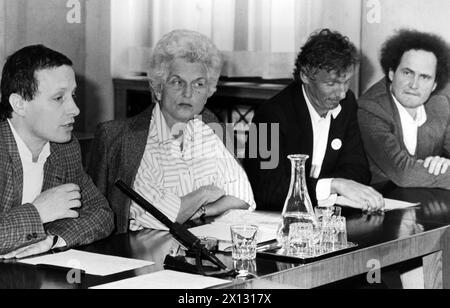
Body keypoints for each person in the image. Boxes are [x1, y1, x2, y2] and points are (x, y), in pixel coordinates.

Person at [88, 29, 255, 233]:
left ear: (208, 92)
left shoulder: (208, 126)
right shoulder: (130, 140)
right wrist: (205, 193)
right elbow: (164, 216)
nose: (188, 93)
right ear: (158, 87)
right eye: (177, 82)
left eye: (199, 84)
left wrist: (201, 210)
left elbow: (243, 197)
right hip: (142, 253)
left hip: (197, 245)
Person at [244, 28, 384, 212]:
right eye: (331, 84)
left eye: (346, 82)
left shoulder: (347, 103)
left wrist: (331, 187)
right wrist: (332, 185)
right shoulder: (268, 116)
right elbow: (265, 190)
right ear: (305, 75)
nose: (341, 93)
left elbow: (358, 170)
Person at [0, 45, 114, 258]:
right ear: (19, 104)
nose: (75, 109)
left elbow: (102, 213)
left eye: (73, 95)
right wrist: (38, 212)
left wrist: (53, 240)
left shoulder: (65, 148)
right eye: (58, 98)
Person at [358, 29, 450, 189]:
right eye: (407, 73)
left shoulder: (439, 105)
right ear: (392, 73)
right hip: (380, 203)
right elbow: (404, 174)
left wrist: (442, 163)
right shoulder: (371, 108)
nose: (414, 85)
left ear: (434, 85)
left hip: (428, 202)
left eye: (424, 77)